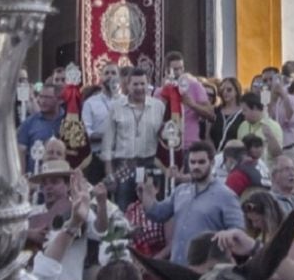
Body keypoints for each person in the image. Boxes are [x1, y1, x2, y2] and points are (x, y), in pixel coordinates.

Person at [141, 140, 245, 265]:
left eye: (201, 162)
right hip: (177, 267)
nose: (196, 166)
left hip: (205, 272)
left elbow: (238, 232)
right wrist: (146, 195)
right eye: (192, 162)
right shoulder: (180, 191)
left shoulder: (226, 196)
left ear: (212, 163)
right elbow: (158, 214)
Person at [102, 68, 165, 211]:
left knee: (153, 210)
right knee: (123, 209)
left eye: (142, 84)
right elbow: (107, 144)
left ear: (147, 84)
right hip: (124, 167)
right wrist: (109, 175)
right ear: (127, 85)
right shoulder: (116, 107)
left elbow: (165, 140)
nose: (139, 88)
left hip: (150, 165)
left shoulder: (158, 106)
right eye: (135, 84)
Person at [162, 51, 214, 146]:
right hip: (169, 143)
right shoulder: (162, 90)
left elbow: (211, 115)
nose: (179, 72)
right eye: (175, 69)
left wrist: (192, 105)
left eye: (181, 68)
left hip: (190, 143)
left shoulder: (195, 86)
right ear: (167, 70)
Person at [17, 84, 64, 174]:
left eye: (47, 97)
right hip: (35, 179)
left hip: (62, 180)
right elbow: (21, 152)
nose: (42, 101)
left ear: (59, 100)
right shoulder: (29, 123)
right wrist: (22, 179)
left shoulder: (68, 121)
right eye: (41, 97)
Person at [82, 63, 122, 161]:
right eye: (106, 73)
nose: (110, 76)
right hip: (97, 156)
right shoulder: (90, 103)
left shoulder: (127, 102)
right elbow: (86, 132)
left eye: (113, 73)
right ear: (101, 77)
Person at [261, 66, 294, 160]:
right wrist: (272, 101)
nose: (269, 83)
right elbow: (265, 120)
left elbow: (293, 121)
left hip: (287, 148)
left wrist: (283, 96)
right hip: (268, 148)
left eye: (271, 79)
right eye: (265, 81)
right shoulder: (264, 96)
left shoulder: (292, 98)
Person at [237, 92, 283, 168]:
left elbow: (278, 155)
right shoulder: (242, 126)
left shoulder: (273, 126)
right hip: (245, 169)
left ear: (254, 108)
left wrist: (270, 137)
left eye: (245, 110)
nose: (242, 113)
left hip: (266, 170)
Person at [209, 76, 245, 151]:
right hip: (216, 155)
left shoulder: (243, 112)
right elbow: (208, 135)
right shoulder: (216, 111)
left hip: (235, 155)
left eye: (229, 90)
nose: (225, 92)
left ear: (236, 91)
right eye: (222, 90)